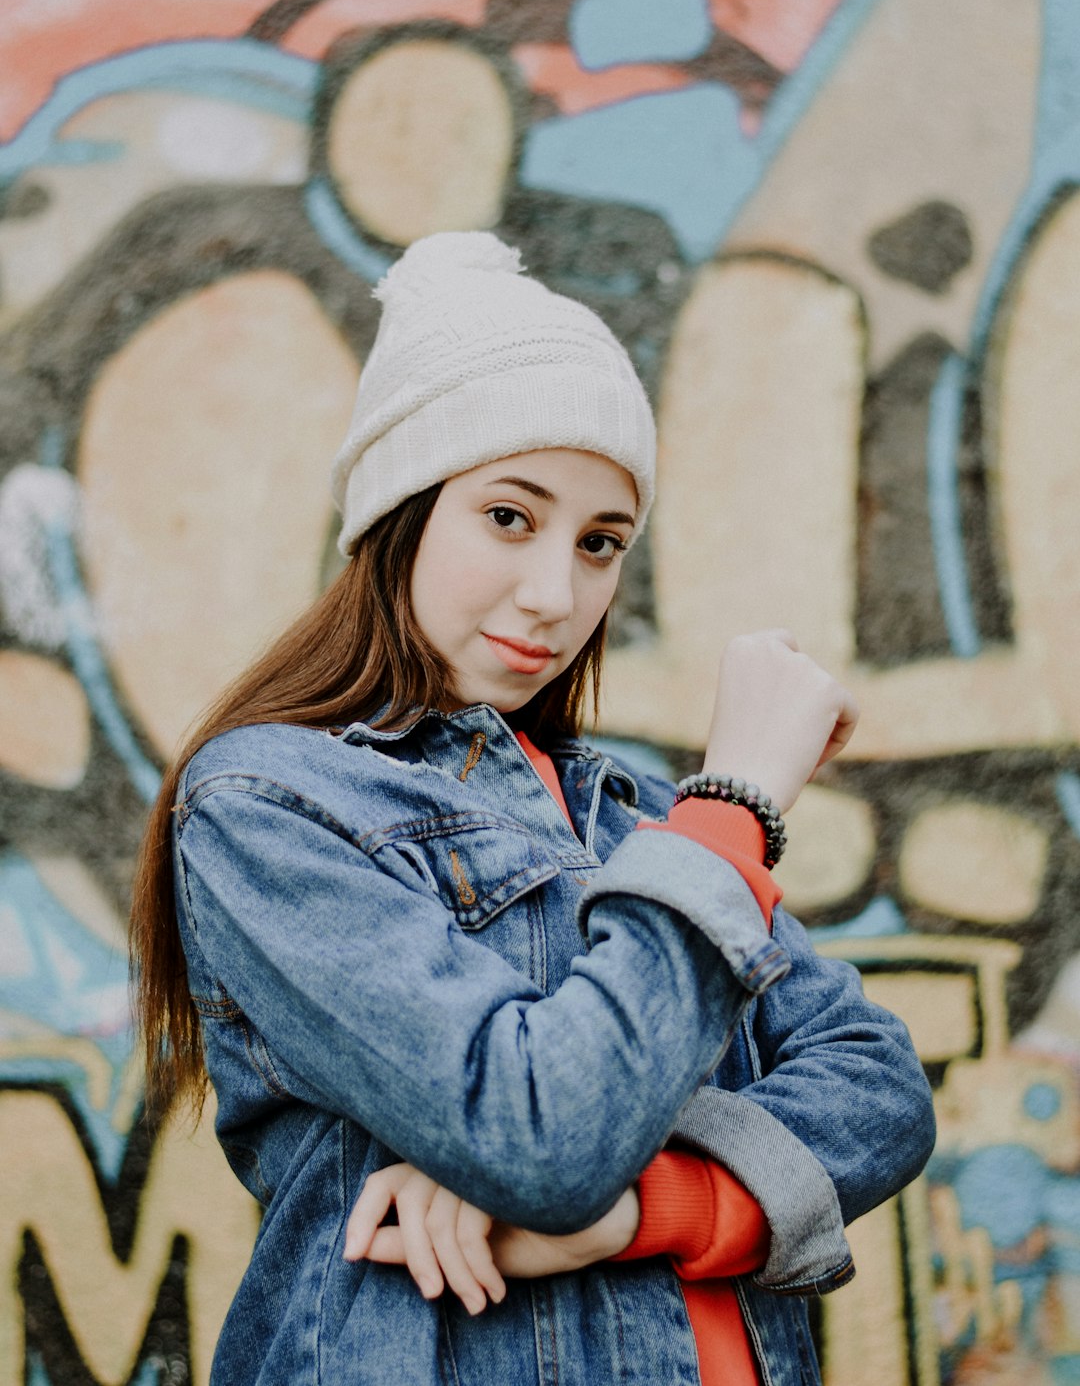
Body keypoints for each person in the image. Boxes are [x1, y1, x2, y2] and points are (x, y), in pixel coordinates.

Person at [130, 231, 935, 1386]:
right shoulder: (271, 800)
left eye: (600, 542)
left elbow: (880, 1084)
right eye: (509, 515)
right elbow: (540, 1131)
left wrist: (638, 1209)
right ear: (401, 513)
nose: (557, 594)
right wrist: (739, 798)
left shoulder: (636, 820)